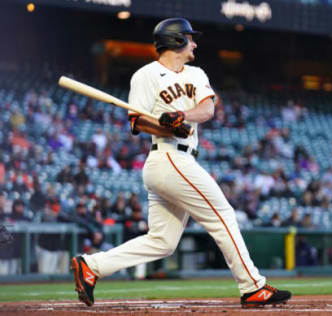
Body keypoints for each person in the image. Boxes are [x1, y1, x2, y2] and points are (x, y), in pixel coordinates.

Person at [71, 17, 291, 308]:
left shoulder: (196, 73)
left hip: (179, 159)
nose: (195, 43)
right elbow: (137, 122)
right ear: (176, 40)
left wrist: (181, 117)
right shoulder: (145, 75)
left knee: (162, 241)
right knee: (223, 214)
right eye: (190, 38)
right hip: (167, 156)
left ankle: (92, 266)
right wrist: (166, 127)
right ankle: (253, 287)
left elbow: (208, 109)